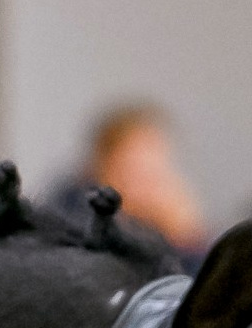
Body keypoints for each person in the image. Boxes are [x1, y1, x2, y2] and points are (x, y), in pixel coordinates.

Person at [52, 104, 208, 264]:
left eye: (157, 171)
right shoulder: (72, 222)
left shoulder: (156, 223)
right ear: (103, 165)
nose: (151, 186)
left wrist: (189, 238)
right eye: (137, 169)